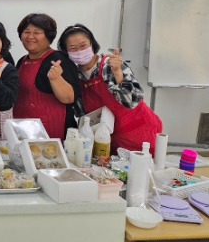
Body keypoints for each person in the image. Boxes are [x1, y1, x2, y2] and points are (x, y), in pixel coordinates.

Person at [59, 24, 163, 154]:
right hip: (107, 138)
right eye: (73, 48)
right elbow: (82, 116)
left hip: (140, 131)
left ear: (92, 44)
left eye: (83, 45)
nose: (79, 51)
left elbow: (132, 101)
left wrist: (118, 73)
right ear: (66, 52)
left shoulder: (110, 65)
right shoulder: (75, 76)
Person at [13, 14, 80, 140]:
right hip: (23, 129)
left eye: (36, 32)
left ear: (49, 36)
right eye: (26, 32)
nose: (30, 36)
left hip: (50, 132)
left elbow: (69, 98)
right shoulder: (22, 61)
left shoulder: (59, 59)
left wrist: (56, 78)